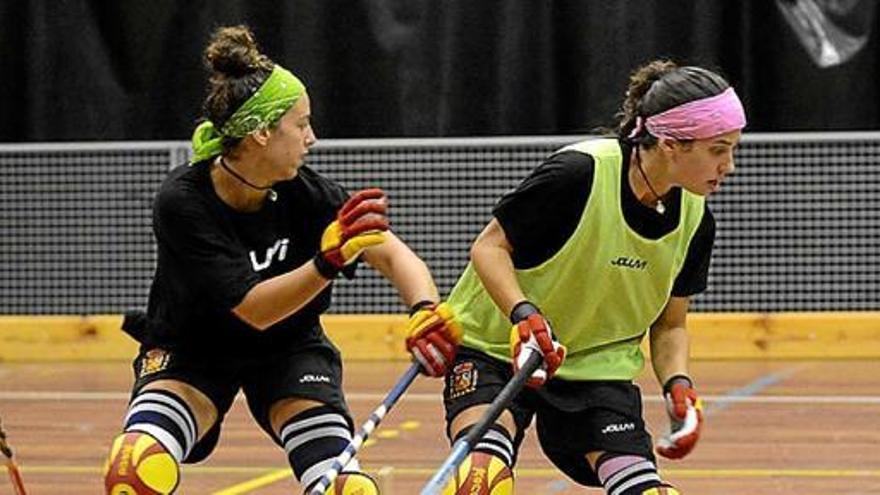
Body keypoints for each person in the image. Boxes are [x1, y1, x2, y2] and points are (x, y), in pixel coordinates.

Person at [102, 25, 461, 495]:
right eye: (302, 124)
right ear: (260, 133)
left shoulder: (305, 191)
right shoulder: (183, 201)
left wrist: (424, 309)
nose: (311, 138)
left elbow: (392, 254)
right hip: (193, 349)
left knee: (343, 488)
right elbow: (254, 308)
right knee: (135, 469)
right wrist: (325, 263)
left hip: (287, 349)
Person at [441, 60, 746, 495]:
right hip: (496, 349)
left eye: (733, 148)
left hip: (594, 369)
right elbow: (489, 248)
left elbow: (671, 324)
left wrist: (679, 384)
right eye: (719, 149)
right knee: (480, 481)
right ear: (670, 144)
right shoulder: (579, 174)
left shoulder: (696, 219)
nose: (729, 165)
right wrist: (522, 313)